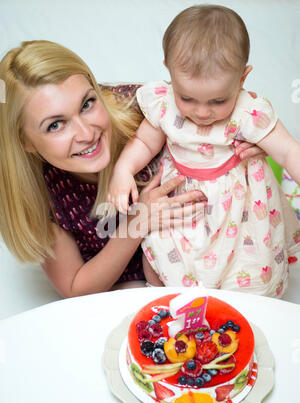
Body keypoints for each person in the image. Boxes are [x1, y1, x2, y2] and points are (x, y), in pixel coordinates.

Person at [0, 39, 266, 298]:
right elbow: (74, 287)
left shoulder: (146, 112)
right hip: (136, 292)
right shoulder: (39, 193)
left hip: (218, 262)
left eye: (87, 104)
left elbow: (230, 102)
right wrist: (137, 223)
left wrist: (254, 137)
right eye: (55, 125)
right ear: (25, 142)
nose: (86, 133)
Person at [107, 5, 300, 297]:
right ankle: (162, 300)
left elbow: (287, 151)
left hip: (238, 210)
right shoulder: (164, 103)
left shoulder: (248, 112)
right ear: (168, 69)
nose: (202, 112)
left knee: (246, 268)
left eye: (218, 101)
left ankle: (241, 309)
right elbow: (145, 143)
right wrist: (123, 170)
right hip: (183, 204)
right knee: (158, 251)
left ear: (243, 79)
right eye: (188, 98)